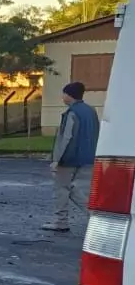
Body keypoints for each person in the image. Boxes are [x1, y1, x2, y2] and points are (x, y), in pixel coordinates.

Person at [44, 81, 100, 232]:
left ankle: (61, 221)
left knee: (61, 188)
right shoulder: (91, 111)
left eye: (64, 93)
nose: (62, 96)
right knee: (73, 187)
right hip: (87, 156)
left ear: (69, 95)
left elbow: (66, 137)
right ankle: (93, 215)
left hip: (69, 157)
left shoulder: (71, 113)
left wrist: (56, 160)